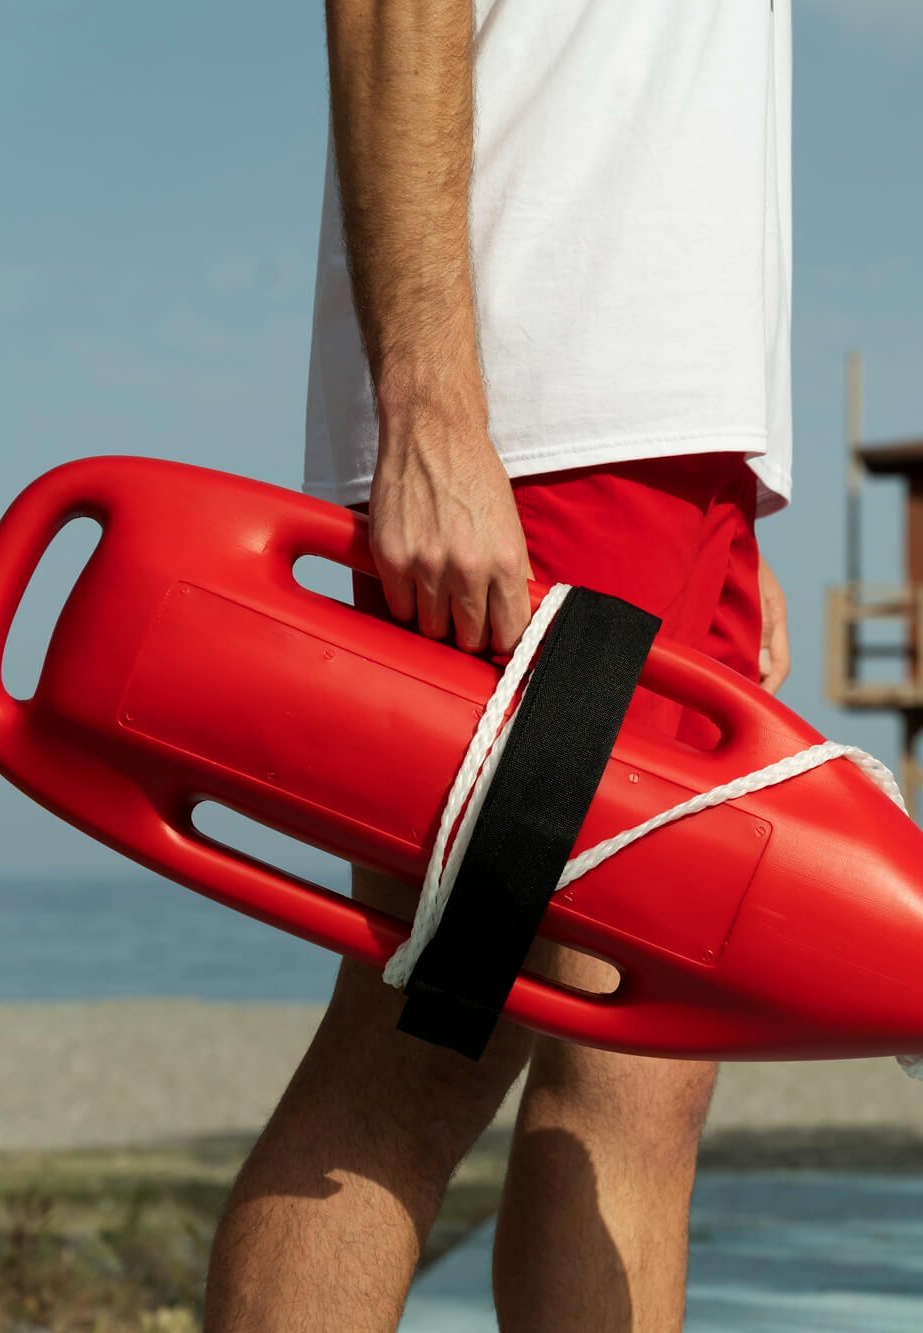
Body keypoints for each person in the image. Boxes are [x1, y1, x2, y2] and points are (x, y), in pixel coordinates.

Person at [203, 0, 793, 1328]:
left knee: (644, 1073)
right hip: (540, 431)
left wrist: (730, 493)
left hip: (676, 457)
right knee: (423, 1046)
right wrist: (427, 406)